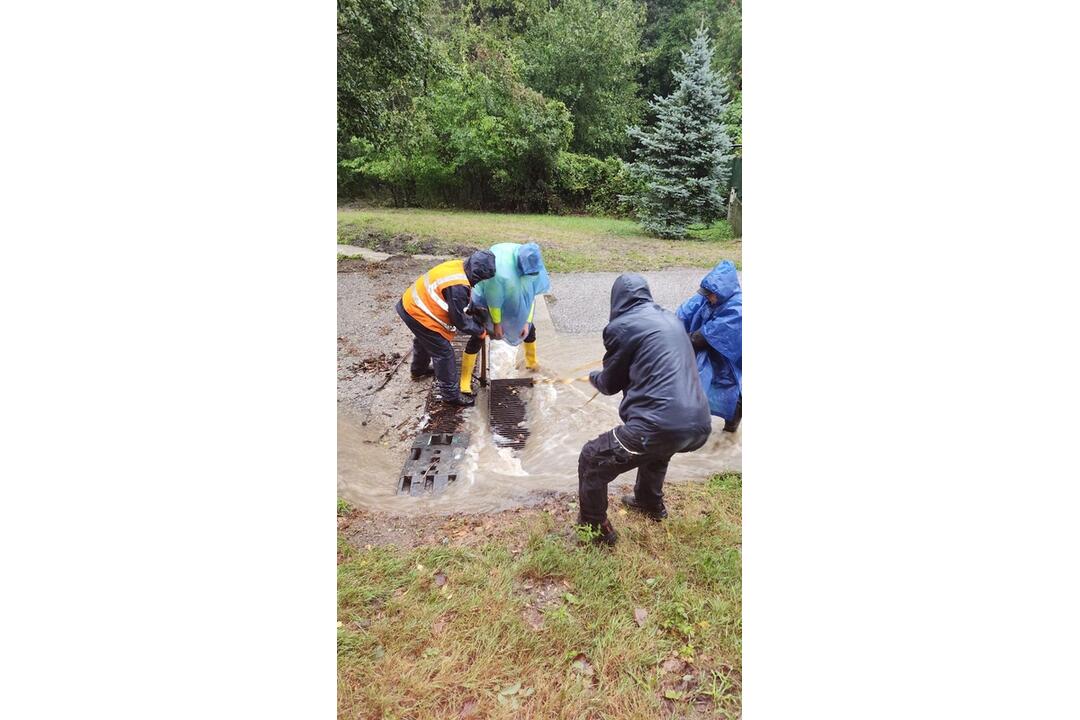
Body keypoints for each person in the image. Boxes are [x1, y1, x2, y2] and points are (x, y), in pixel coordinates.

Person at [577, 273, 712, 545]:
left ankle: (595, 531)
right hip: (698, 423)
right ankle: (649, 503)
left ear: (616, 299)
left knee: (592, 458)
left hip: (661, 425)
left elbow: (610, 383)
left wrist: (593, 378)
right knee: (656, 451)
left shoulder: (621, 327)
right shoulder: (671, 319)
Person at [395, 251, 496, 406]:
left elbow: (459, 301)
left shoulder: (458, 266)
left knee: (424, 340)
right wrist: (479, 331)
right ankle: (450, 396)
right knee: (443, 352)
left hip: (409, 304)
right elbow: (460, 321)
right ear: (478, 275)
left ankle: (418, 370)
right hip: (418, 311)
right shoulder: (458, 285)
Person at [459, 242, 551, 394]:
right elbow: (493, 300)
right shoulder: (501, 271)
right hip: (486, 296)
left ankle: (531, 363)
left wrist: (526, 322)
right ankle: (465, 379)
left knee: (530, 331)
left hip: (512, 294)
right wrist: (497, 324)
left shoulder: (533, 265)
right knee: (479, 333)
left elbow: (530, 296)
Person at [676, 260, 742, 432]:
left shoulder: (737, 308)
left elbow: (702, 338)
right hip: (711, 353)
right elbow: (683, 314)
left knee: (732, 392)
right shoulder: (708, 298)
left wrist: (672, 341)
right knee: (700, 386)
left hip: (730, 359)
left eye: (710, 294)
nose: (707, 297)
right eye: (706, 293)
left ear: (722, 291)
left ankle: (729, 432)